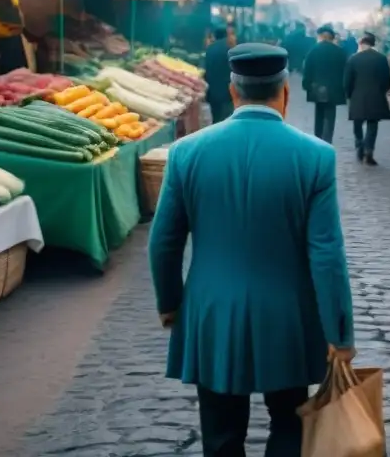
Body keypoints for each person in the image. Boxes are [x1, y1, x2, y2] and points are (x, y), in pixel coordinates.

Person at [148, 43, 354, 457]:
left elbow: (164, 241)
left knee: (221, 433)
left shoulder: (186, 152)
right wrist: (339, 333)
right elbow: (327, 254)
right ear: (285, 92)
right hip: (289, 316)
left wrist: (170, 303)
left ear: (233, 90)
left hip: (211, 314)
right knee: (290, 427)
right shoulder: (315, 156)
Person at [343, 32, 390, 165]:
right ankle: (369, 151)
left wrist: (349, 95)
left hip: (357, 96)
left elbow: (347, 81)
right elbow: (387, 80)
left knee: (357, 123)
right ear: (373, 44)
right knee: (372, 125)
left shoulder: (353, 59)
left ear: (361, 43)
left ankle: (359, 145)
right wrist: (381, 91)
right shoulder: (381, 58)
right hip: (376, 96)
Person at [302, 24, 348, 143]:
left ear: (321, 37)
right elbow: (346, 71)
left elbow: (307, 69)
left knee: (319, 114)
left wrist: (306, 85)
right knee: (330, 115)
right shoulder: (340, 52)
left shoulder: (314, 50)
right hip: (335, 88)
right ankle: (327, 140)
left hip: (317, 88)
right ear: (331, 38)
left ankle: (318, 138)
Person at [204, 26, 235, 124]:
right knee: (227, 119)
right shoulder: (229, 49)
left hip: (212, 91)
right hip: (226, 91)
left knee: (216, 118)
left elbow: (206, 69)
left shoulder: (209, 49)